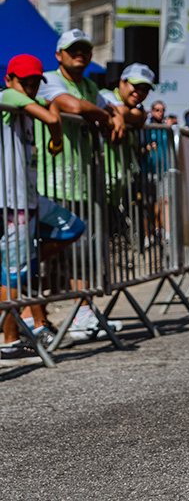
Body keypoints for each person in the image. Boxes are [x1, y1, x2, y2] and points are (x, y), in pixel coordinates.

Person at [36, 28, 125, 337]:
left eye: (85, 48)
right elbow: (71, 107)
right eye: (73, 48)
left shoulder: (88, 84)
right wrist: (106, 114)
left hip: (82, 185)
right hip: (51, 184)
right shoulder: (48, 80)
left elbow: (119, 107)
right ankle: (34, 320)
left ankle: (78, 314)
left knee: (81, 256)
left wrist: (117, 115)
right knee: (44, 258)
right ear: (59, 55)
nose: (80, 53)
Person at [0, 54, 85, 358]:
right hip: (11, 204)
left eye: (36, 81)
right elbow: (52, 119)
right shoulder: (8, 95)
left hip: (30, 199)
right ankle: (9, 341)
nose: (31, 87)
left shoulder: (22, 106)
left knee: (73, 227)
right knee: (14, 273)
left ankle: (29, 320)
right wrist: (57, 131)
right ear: (9, 79)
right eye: (26, 81)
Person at [99, 63, 154, 127]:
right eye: (135, 86)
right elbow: (120, 110)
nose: (140, 92)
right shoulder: (105, 96)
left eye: (145, 90)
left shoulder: (136, 106)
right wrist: (138, 115)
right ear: (122, 82)